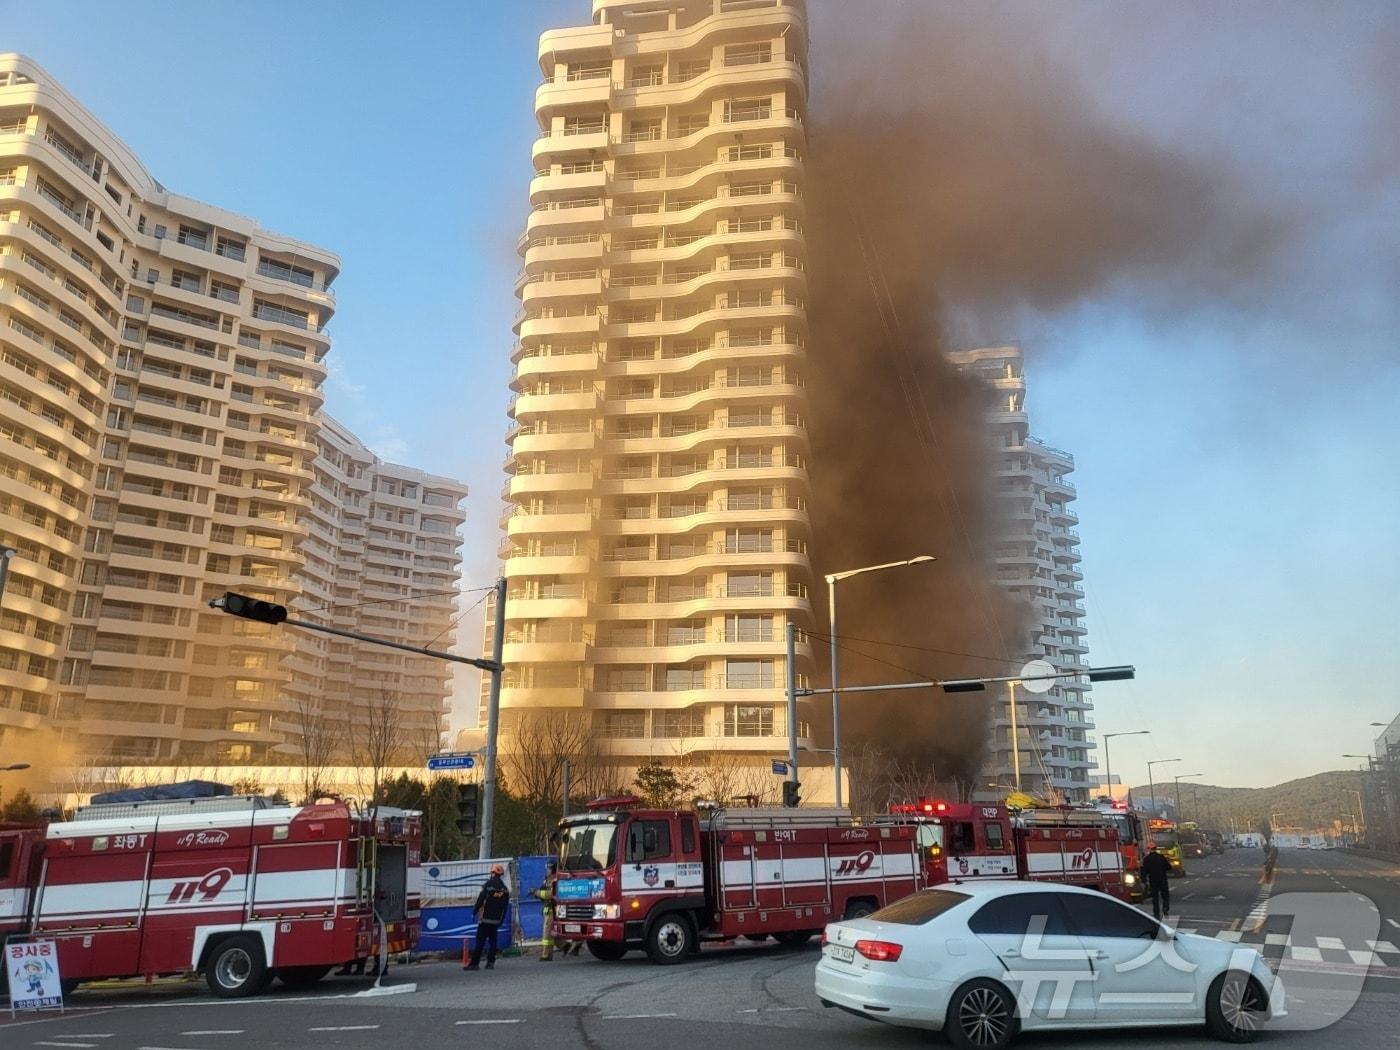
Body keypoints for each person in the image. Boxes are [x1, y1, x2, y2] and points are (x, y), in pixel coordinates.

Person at [464, 864, 510, 971]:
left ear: (493, 873)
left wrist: (474, 911)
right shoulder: (505, 889)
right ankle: (490, 962)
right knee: (493, 941)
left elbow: (481, 900)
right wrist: (501, 921)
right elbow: (505, 906)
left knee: (480, 941)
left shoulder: (488, 885)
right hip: (496, 920)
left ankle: (474, 964)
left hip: (485, 919)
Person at [1141, 841, 1172, 921]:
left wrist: (1144, 881)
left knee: (1155, 897)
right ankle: (1165, 908)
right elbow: (1169, 867)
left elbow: (1144, 871)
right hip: (1163, 879)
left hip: (1153, 881)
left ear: (1149, 849)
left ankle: (1156, 912)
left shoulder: (1147, 859)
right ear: (1156, 848)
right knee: (1165, 895)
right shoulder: (1161, 857)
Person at [535, 862, 558, 961]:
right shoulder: (547, 880)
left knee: (547, 932)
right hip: (547, 908)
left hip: (552, 908)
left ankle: (546, 954)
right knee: (551, 932)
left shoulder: (556, 880)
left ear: (553, 869)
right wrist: (537, 893)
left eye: (548, 869)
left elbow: (550, 894)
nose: (547, 871)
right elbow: (543, 891)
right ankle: (566, 946)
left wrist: (537, 893)